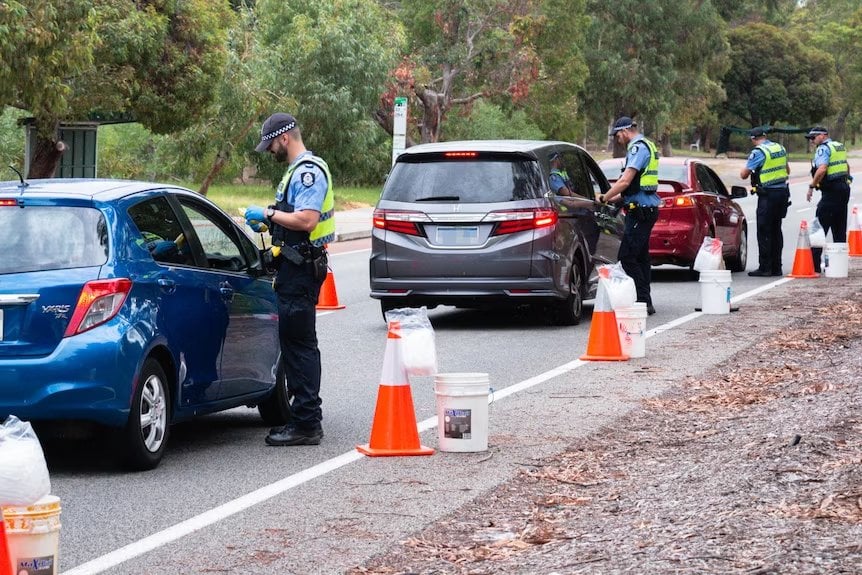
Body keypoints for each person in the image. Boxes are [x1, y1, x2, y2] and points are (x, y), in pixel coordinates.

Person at [247, 112, 335, 446]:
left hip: (301, 270)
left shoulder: (308, 172)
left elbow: (307, 220)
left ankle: (307, 423)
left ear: (284, 138)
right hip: (294, 268)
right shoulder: (296, 171)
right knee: (296, 342)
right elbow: (292, 218)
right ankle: (305, 418)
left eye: (270, 144)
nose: (269, 150)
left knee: (299, 345)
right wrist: (270, 224)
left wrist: (268, 213)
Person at [596, 116, 661, 315]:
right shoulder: (647, 144)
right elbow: (634, 187)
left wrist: (606, 196)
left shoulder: (637, 148)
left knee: (627, 256)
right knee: (641, 257)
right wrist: (615, 199)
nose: (617, 139)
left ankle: (641, 300)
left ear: (624, 131)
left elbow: (625, 181)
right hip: (643, 208)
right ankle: (645, 300)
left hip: (641, 211)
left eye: (616, 135)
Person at [740, 127, 791, 277]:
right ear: (765, 136)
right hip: (782, 193)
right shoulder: (780, 148)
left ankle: (765, 268)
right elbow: (787, 170)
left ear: (753, 139)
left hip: (768, 195)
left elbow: (743, 175)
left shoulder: (758, 152)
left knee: (764, 231)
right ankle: (777, 267)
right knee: (776, 230)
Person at [805, 126, 852, 273]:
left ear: (823, 135)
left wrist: (812, 185)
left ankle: (814, 265)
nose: (812, 141)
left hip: (831, 190)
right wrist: (847, 180)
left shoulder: (823, 148)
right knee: (839, 226)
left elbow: (822, 168)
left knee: (819, 226)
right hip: (843, 188)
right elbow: (846, 166)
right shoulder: (838, 146)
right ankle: (839, 265)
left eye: (814, 137)